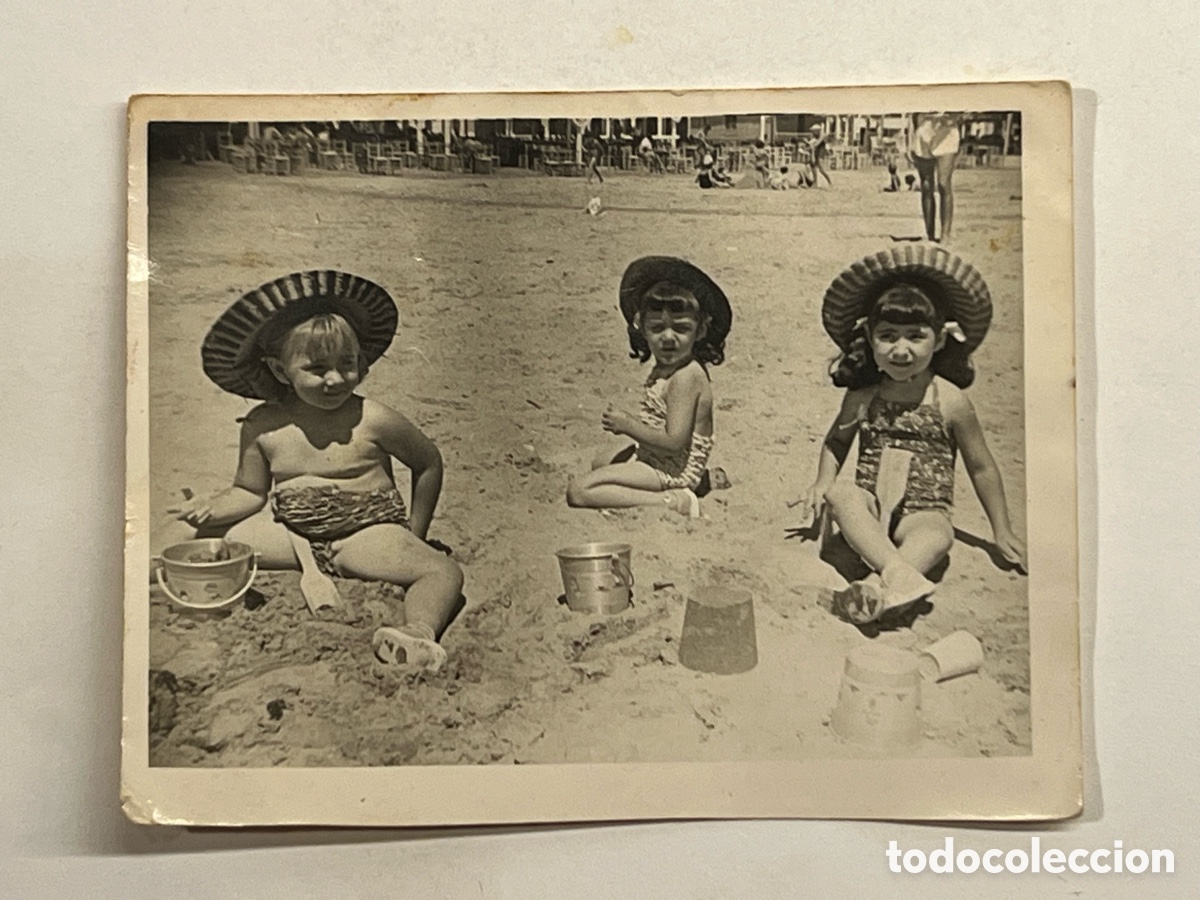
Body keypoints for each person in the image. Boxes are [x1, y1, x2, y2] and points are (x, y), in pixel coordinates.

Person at [159, 271, 464, 673]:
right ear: (280, 370)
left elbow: (428, 463)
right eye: (317, 368)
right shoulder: (263, 425)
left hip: (364, 533)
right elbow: (250, 491)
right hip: (291, 533)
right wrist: (213, 508)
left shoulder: (373, 419)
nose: (335, 378)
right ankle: (135, 575)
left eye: (348, 364)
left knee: (441, 570)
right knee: (192, 536)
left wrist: (414, 532)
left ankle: (419, 634)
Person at [792, 247, 1025, 626]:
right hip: (871, 504)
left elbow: (981, 466)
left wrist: (1001, 530)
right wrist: (822, 481)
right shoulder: (863, 394)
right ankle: (897, 576)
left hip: (923, 509)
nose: (901, 350)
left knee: (937, 535)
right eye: (888, 336)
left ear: (939, 341)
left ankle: (873, 586)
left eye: (915, 337)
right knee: (843, 495)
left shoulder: (949, 399)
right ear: (869, 339)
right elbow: (837, 442)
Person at [567, 257, 732, 517]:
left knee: (580, 490)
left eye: (681, 329)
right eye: (657, 329)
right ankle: (698, 482)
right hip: (659, 458)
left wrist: (628, 425)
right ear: (642, 328)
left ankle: (674, 501)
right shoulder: (672, 366)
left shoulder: (686, 378)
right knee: (601, 462)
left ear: (700, 331)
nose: (668, 338)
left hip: (672, 468)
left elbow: (674, 442)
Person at [909, 112, 965, 243]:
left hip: (946, 129)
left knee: (943, 183)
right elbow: (912, 113)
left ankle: (945, 234)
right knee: (926, 185)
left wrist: (956, 116)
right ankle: (930, 235)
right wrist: (909, 141)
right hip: (923, 127)